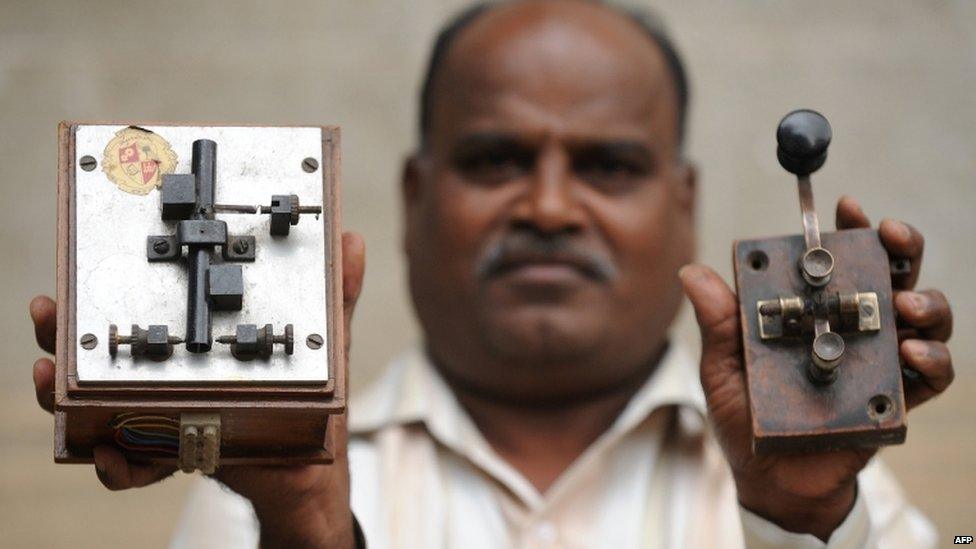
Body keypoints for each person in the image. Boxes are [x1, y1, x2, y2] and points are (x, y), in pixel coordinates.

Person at [30, 1, 955, 547]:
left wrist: (802, 520)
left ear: (684, 204)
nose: (549, 207)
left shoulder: (841, 499)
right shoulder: (257, 493)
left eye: (608, 167)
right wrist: (308, 531)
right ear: (413, 197)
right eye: (495, 158)